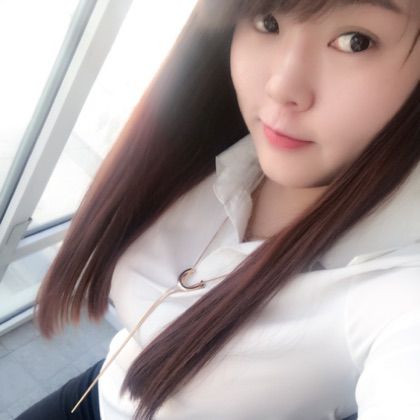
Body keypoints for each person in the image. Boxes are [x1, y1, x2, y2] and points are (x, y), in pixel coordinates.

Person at [17, 0, 420, 419]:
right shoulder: (205, 149)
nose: (281, 86)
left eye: (355, 42)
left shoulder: (397, 286)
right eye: (268, 21)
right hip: (98, 389)